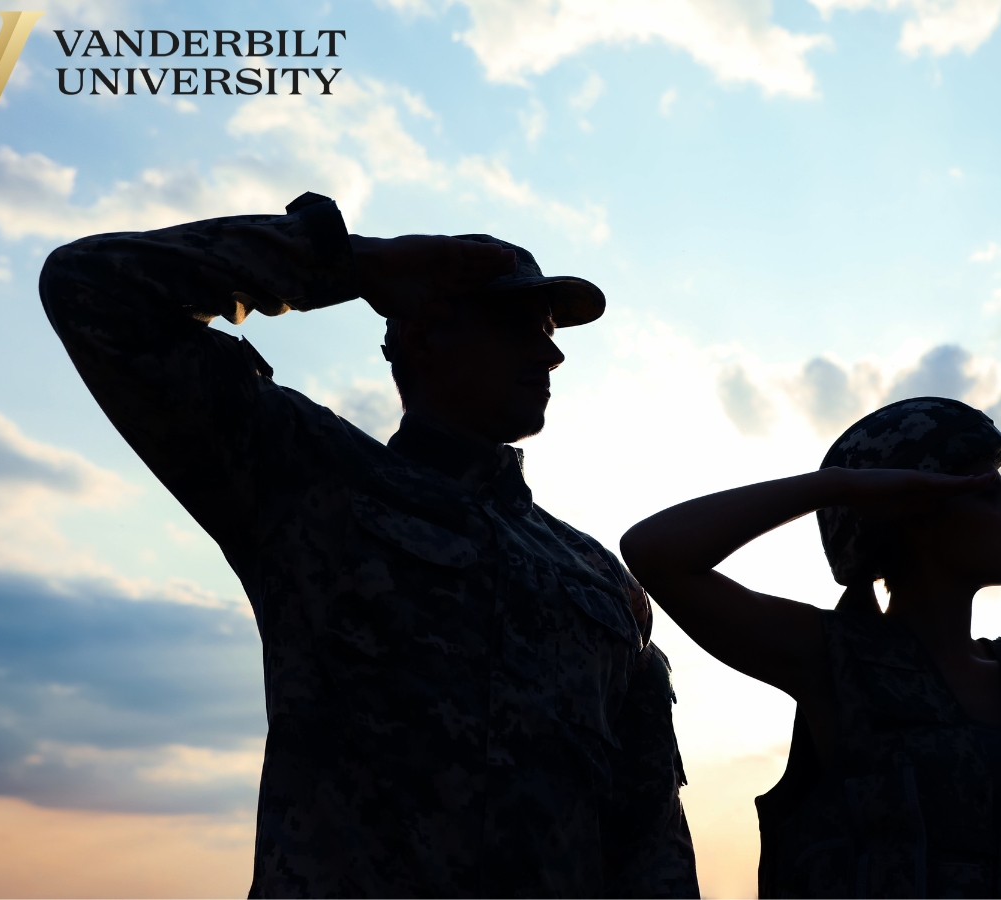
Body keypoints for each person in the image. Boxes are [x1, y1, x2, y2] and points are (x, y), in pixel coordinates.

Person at [39, 192, 699, 898]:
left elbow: (648, 828)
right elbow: (93, 286)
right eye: (517, 325)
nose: (552, 351)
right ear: (422, 337)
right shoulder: (310, 478)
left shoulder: (597, 578)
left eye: (549, 329)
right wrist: (351, 261)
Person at [621, 397, 1001, 898]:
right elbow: (656, 553)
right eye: (986, 495)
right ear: (911, 509)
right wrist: (839, 486)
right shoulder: (832, 658)